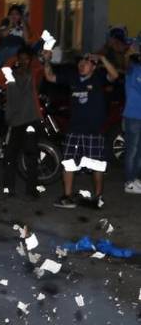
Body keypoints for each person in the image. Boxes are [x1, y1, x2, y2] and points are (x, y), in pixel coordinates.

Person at [44, 52, 119, 208]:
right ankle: (67, 196)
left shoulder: (98, 78)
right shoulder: (72, 78)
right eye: (80, 62)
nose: (81, 64)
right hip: (74, 130)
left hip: (94, 130)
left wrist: (103, 58)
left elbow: (115, 75)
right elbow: (50, 76)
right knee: (69, 163)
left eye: (85, 62)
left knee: (97, 165)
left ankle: (98, 197)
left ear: (93, 66)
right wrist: (46, 60)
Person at [0, 46, 43, 197]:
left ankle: (31, 191)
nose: (23, 62)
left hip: (30, 121)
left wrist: (30, 59)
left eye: (26, 59)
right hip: (14, 123)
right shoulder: (10, 76)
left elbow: (40, 67)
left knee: (31, 157)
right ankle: (9, 190)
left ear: (31, 60)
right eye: (20, 59)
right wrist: (12, 60)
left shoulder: (34, 74)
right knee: (9, 157)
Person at [122, 45, 141, 193]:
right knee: (132, 150)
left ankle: (135, 179)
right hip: (133, 116)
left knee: (139, 151)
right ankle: (129, 181)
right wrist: (128, 54)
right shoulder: (133, 69)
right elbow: (125, 65)